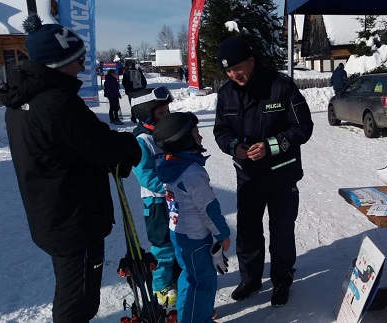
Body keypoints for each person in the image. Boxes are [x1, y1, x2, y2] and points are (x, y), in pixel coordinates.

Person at [0, 14, 142, 323]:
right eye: (78, 59)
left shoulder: (20, 102)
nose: (83, 66)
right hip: (75, 222)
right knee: (77, 301)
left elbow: (67, 149)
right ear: (57, 62)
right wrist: (131, 144)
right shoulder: (57, 103)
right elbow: (102, 147)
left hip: (51, 216)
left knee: (70, 289)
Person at [213, 37, 314, 307]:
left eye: (237, 67)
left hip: (282, 176)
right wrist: (235, 147)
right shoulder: (226, 93)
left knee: (281, 231)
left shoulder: (281, 87)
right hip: (248, 177)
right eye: (228, 71)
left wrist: (271, 146)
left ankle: (282, 280)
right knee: (247, 232)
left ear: (251, 60)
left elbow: (303, 127)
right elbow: (220, 132)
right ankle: (250, 279)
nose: (234, 74)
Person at [154, 112, 231, 323]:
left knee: (189, 276)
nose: (201, 137)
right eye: (196, 133)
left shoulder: (171, 164)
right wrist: (223, 234)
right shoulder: (192, 173)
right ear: (184, 140)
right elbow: (209, 209)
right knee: (203, 282)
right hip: (196, 238)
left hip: (179, 233)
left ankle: (186, 317)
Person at [129, 86, 179, 307]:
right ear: (145, 114)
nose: (166, 116)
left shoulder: (167, 135)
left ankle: (177, 278)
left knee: (182, 240)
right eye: (161, 113)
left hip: (176, 199)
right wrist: (170, 187)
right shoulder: (142, 140)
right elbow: (146, 176)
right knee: (163, 246)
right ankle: (160, 286)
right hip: (157, 203)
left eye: (167, 111)